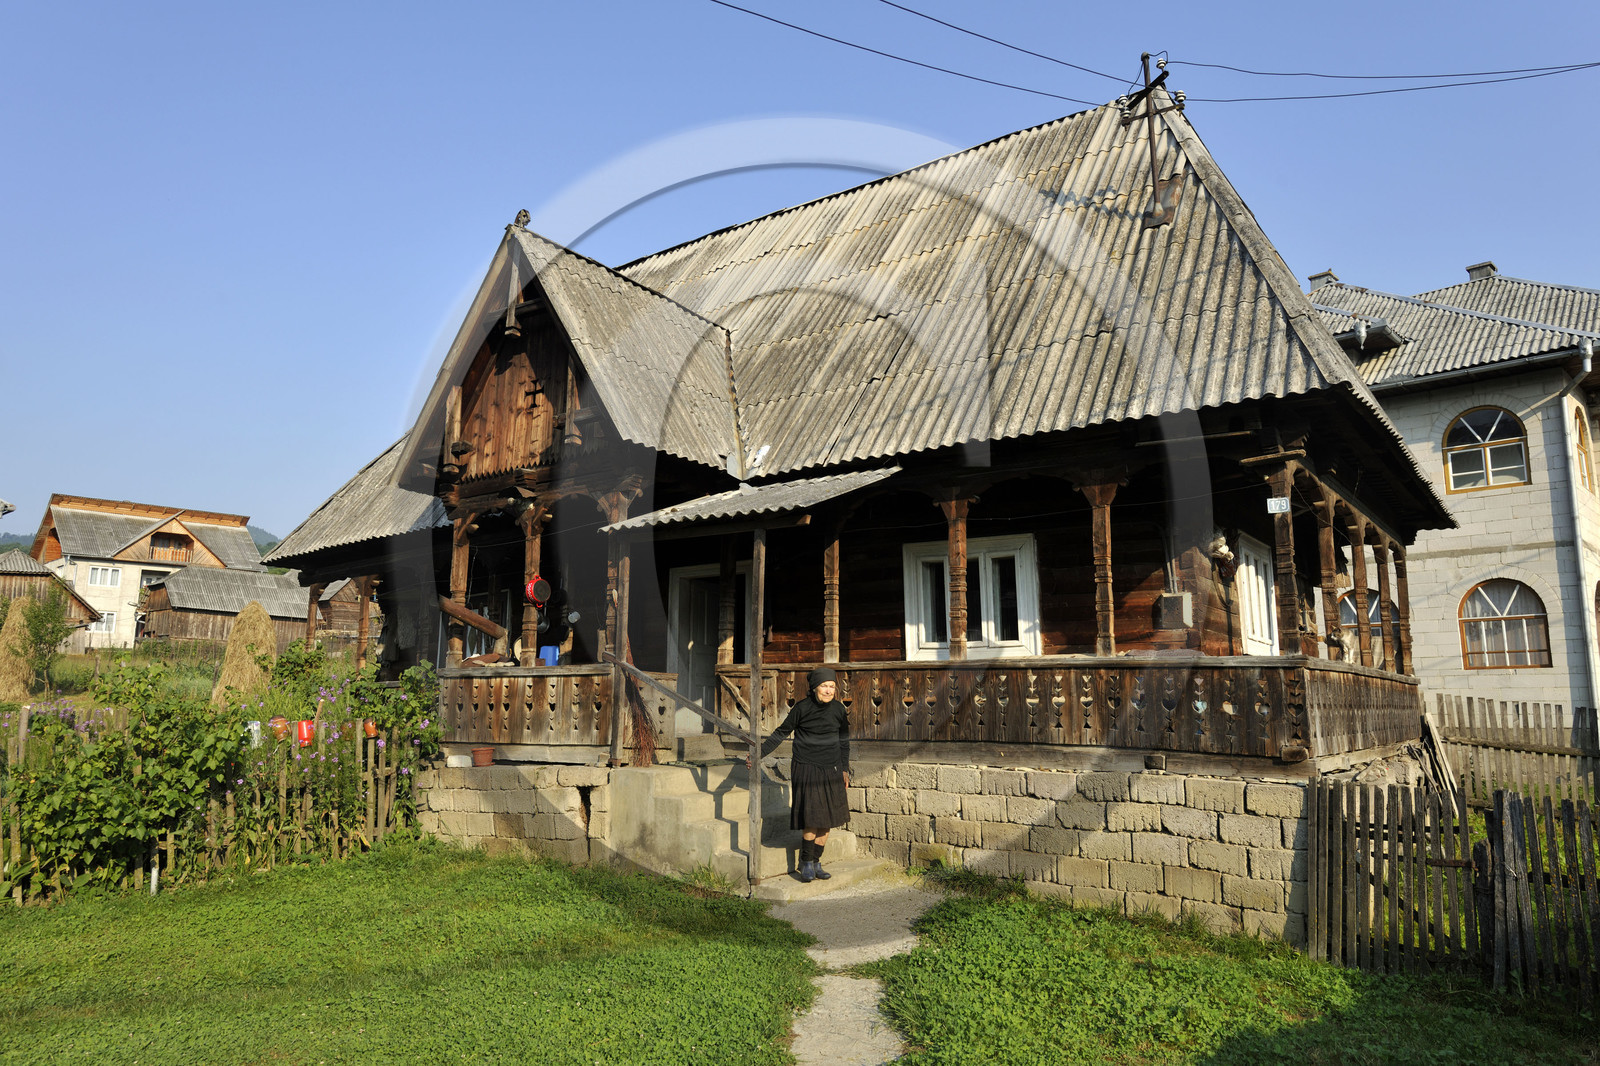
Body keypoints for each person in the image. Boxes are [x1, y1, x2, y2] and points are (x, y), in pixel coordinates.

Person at [754, 667, 851, 882]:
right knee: (812, 817)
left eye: (832, 687)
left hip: (832, 768)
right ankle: (805, 862)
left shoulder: (838, 710)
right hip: (806, 767)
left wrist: (844, 768)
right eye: (824, 686)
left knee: (828, 819)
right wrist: (758, 753)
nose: (828, 691)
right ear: (815, 687)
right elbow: (781, 732)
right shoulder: (802, 708)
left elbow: (844, 742)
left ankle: (816, 861)